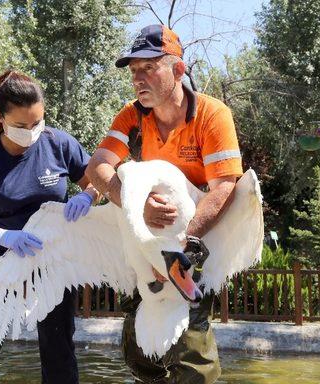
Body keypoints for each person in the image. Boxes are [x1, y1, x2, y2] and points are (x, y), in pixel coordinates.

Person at [85, 24, 243, 384]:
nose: (138, 79)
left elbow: (223, 188)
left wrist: (181, 248)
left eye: (148, 68)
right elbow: (97, 167)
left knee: (190, 338)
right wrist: (136, 208)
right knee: (137, 341)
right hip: (145, 236)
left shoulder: (212, 115)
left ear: (177, 70)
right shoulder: (132, 115)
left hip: (196, 236)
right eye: (133, 71)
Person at [0, 69, 99, 384]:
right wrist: (2, 236)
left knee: (58, 342)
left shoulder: (59, 143)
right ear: (1, 117)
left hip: (54, 257)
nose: (31, 132)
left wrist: (86, 196)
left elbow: (97, 182)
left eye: (37, 123)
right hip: (3, 256)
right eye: (20, 125)